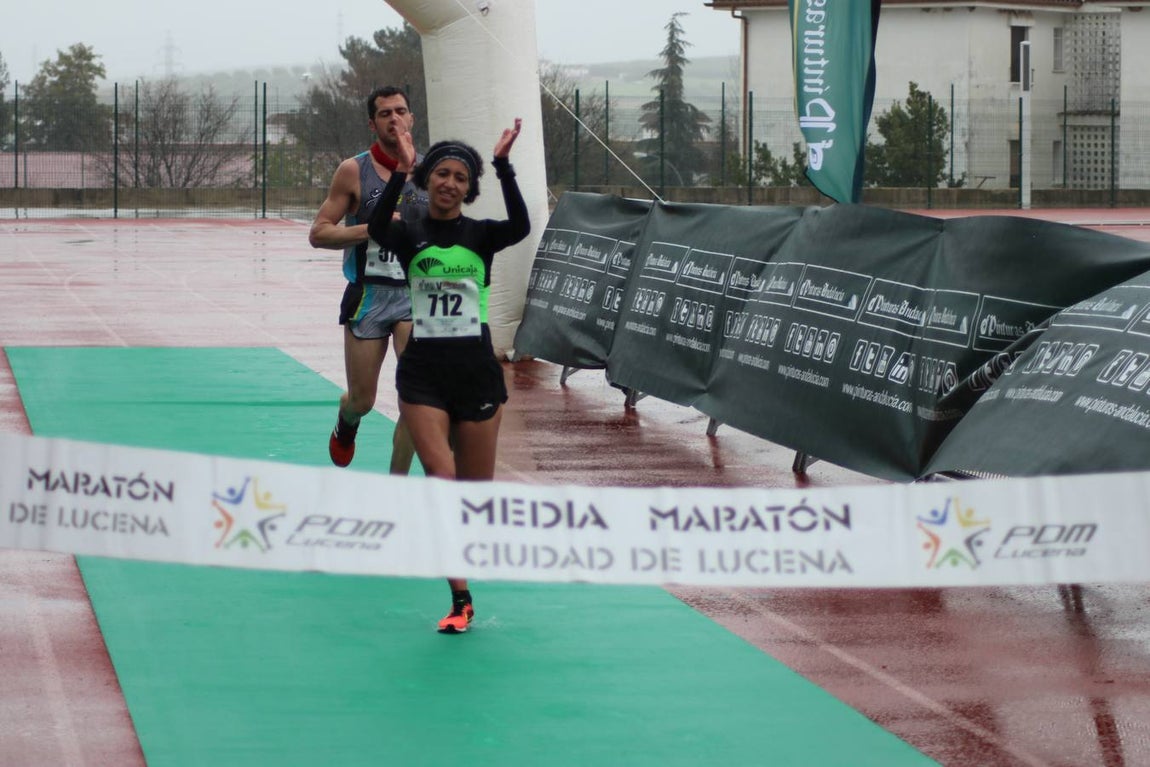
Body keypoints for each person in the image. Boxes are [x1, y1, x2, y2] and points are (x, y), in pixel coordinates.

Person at [367, 118, 530, 633]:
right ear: (428, 179)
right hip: (423, 378)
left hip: (477, 376)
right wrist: (401, 169)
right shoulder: (409, 233)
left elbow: (522, 226)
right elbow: (374, 228)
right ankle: (460, 599)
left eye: (461, 177)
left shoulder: (481, 236)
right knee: (441, 481)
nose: (450, 183)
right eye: (442, 174)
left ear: (469, 188)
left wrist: (503, 166)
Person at [308, 85, 427, 473]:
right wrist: (369, 231)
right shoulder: (352, 170)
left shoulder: (430, 172)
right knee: (363, 399)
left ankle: (396, 482)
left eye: (401, 111)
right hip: (369, 297)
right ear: (372, 124)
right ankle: (348, 422)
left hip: (413, 296)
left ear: (412, 118)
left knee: (416, 395)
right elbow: (319, 233)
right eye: (385, 113)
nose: (394, 118)